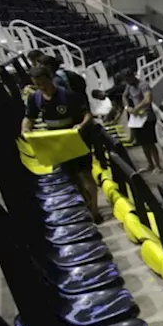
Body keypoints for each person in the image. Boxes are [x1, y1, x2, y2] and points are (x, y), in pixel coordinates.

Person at [21, 64, 102, 223]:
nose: (41, 87)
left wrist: (81, 126)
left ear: (50, 78)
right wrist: (25, 129)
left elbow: (88, 115)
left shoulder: (69, 96)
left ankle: (95, 210)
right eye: (37, 84)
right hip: (57, 144)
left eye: (43, 83)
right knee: (71, 177)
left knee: (85, 174)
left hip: (77, 140)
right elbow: (29, 118)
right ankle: (83, 204)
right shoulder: (35, 98)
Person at [122, 69, 161, 172]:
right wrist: (127, 107)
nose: (128, 82)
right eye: (126, 81)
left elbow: (148, 99)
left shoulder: (143, 85)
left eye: (129, 79)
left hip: (147, 117)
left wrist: (137, 108)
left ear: (133, 76)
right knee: (143, 143)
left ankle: (158, 166)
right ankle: (150, 164)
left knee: (151, 143)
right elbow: (124, 96)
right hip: (137, 119)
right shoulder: (129, 86)